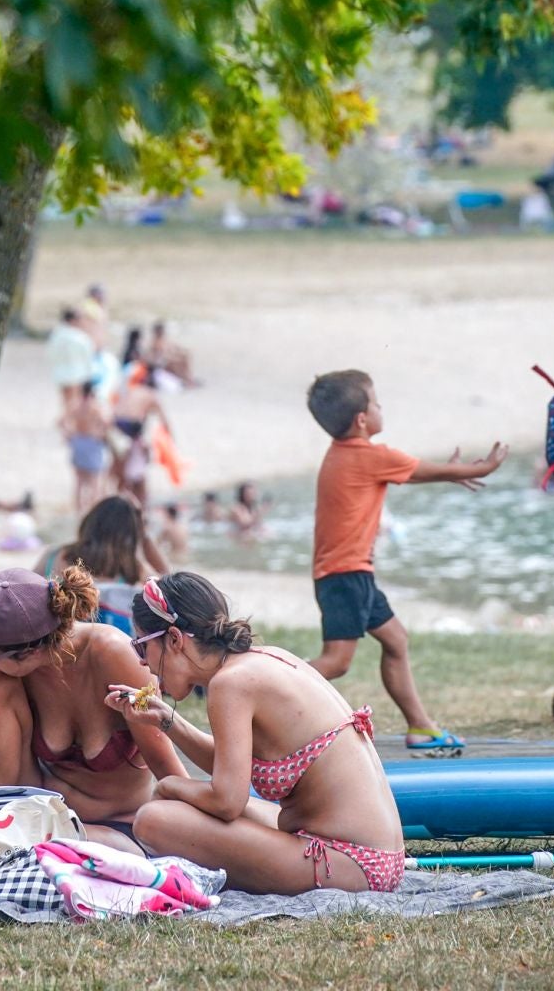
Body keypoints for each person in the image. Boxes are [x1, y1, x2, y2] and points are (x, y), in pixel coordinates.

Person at [112, 574, 405, 893]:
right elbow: (231, 768)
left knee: (153, 820)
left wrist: (169, 785)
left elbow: (227, 802)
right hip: (376, 859)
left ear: (173, 639)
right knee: (174, 809)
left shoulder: (230, 685)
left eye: (141, 646)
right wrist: (168, 721)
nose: (142, 663)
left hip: (349, 863)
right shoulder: (260, 662)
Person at [304, 369, 508, 750]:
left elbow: (410, 473)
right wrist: (482, 467)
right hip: (346, 575)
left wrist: (449, 474)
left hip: (349, 574)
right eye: (377, 402)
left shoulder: (346, 455)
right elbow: (426, 469)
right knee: (337, 661)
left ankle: (420, 726)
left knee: (396, 640)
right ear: (363, 419)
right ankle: (258, 686)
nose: (382, 408)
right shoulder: (371, 456)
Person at [0, 567, 182, 851]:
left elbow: (167, 767)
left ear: (27, 653)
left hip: (120, 827)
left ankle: (2, 843)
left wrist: (195, 833)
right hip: (37, 822)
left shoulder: (116, 656)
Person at [34, 496, 169, 629]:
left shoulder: (53, 555)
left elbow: (27, 592)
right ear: (131, 536)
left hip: (57, 638)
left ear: (89, 523)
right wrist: (145, 535)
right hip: (107, 645)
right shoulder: (131, 568)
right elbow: (167, 585)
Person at [111, 358, 172, 506]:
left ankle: (122, 499)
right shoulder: (150, 395)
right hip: (131, 429)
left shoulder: (132, 390)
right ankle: (139, 505)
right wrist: (171, 441)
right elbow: (164, 421)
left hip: (116, 425)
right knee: (137, 470)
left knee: (122, 469)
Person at [63, 383, 113, 514]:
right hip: (92, 441)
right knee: (94, 479)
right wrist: (101, 433)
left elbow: (62, 421)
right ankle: (93, 509)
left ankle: (78, 510)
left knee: (79, 481)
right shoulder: (95, 407)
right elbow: (107, 422)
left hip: (79, 440)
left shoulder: (75, 406)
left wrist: (69, 435)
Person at [45, 307, 97, 421]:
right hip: (77, 373)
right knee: (74, 400)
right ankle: (65, 420)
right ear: (73, 320)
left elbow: (50, 353)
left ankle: (66, 419)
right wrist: (89, 374)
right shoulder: (80, 337)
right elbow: (88, 357)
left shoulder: (56, 335)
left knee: (65, 399)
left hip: (59, 371)